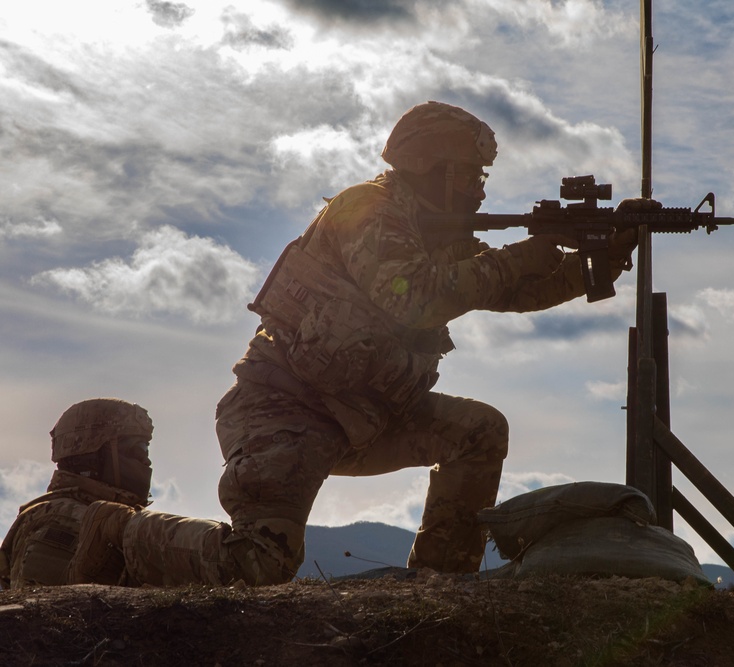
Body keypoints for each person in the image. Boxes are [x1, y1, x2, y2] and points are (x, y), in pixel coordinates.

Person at [69, 101, 638, 586]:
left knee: (478, 432)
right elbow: (415, 299)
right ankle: (118, 529)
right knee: (260, 565)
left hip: (368, 414)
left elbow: (507, 292)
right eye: (468, 173)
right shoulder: (368, 211)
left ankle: (437, 587)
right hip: (286, 409)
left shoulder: (432, 234)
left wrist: (595, 263)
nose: (477, 188)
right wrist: (525, 254)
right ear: (430, 167)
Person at [0, 398, 153, 589]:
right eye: (138, 450)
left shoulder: (103, 517)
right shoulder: (64, 518)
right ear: (94, 456)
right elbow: (45, 608)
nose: (146, 462)